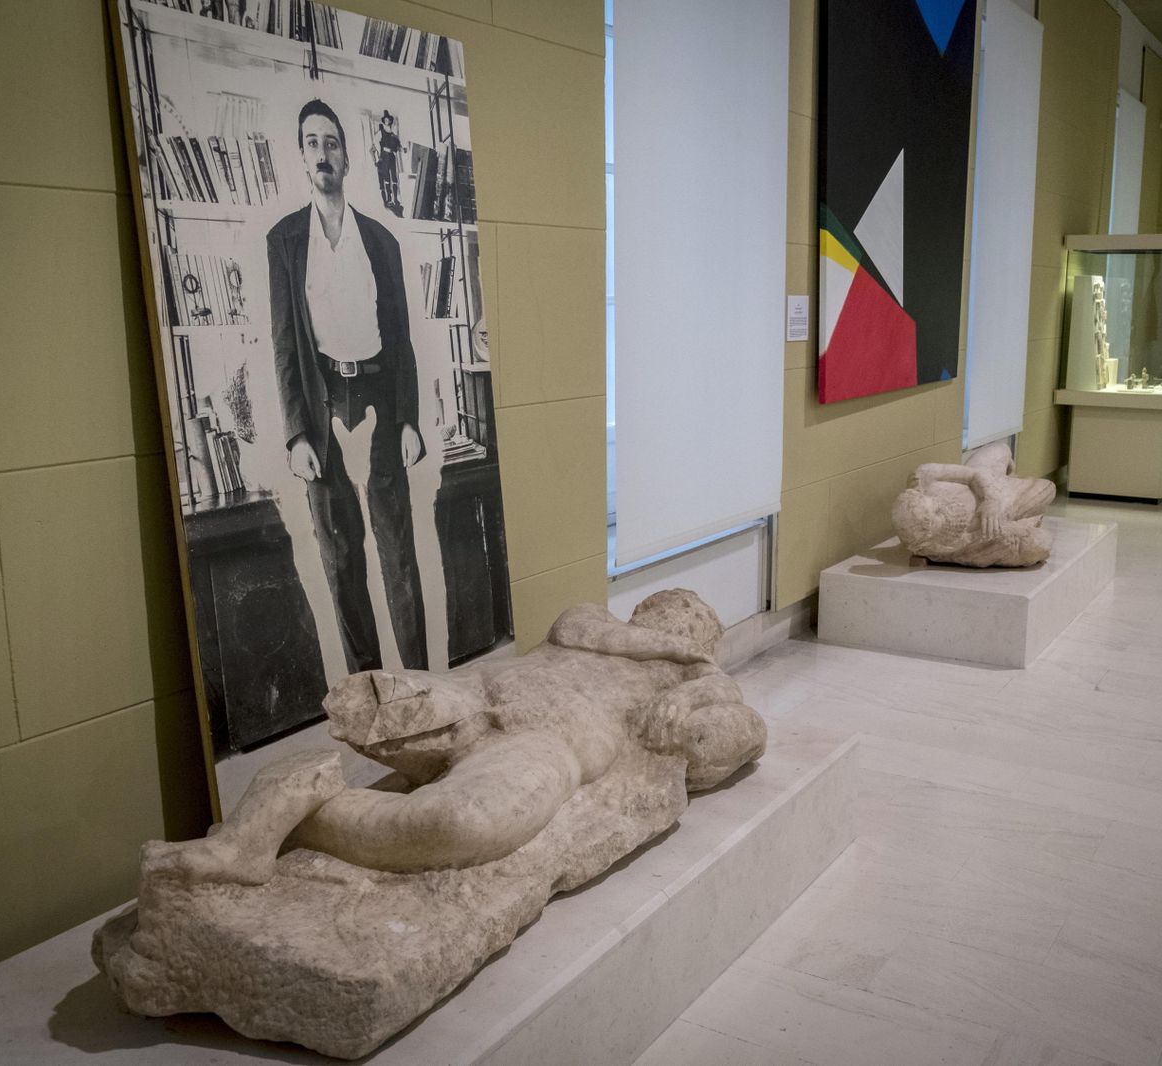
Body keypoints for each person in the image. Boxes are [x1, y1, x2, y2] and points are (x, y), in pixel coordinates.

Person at [142, 589, 768, 881]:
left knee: (459, 824)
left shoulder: (697, 686)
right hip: (480, 695)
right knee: (369, 701)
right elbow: (585, 626)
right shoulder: (596, 624)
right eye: (672, 611)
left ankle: (290, 812)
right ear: (646, 613)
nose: (680, 622)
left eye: (693, 621)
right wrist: (684, 658)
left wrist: (702, 686)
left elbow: (723, 743)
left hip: (549, 744)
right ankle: (252, 834)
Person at [267, 98, 428, 673]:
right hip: (322, 405)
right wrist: (295, 436)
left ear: (347, 155)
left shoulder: (380, 242)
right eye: (312, 143)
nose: (322, 153)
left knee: (397, 552)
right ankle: (369, 691)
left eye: (331, 142)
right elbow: (285, 345)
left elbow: (402, 338)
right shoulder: (285, 242)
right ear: (302, 157)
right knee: (341, 560)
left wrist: (409, 419)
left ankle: (420, 686)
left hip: (381, 398)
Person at [891, 440, 1055, 567]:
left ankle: (1011, 477)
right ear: (930, 538)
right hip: (1009, 501)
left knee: (1001, 448)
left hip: (982, 477)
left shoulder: (923, 477)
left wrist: (990, 500)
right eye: (937, 515)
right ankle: (1015, 484)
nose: (941, 506)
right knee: (1048, 488)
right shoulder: (956, 545)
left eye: (934, 503)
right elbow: (1039, 544)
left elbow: (972, 474)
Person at [373, 110, 403, 216]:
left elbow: (398, 146)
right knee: (386, 179)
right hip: (384, 156)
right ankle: (389, 199)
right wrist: (379, 154)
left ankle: (395, 199)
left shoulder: (393, 134)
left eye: (388, 120)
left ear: (390, 121)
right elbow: (375, 142)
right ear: (384, 121)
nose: (387, 121)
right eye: (385, 120)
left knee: (394, 178)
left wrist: (400, 149)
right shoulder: (381, 132)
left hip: (392, 157)